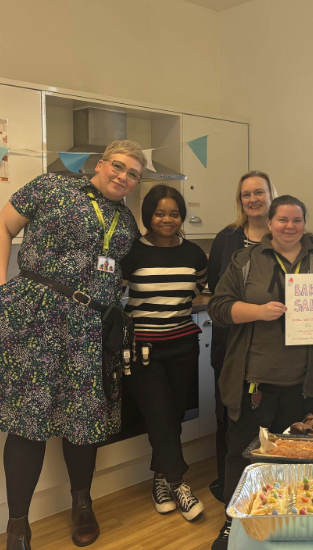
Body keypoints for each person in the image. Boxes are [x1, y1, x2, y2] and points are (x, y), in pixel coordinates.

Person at [0, 140, 145, 549]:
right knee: (27, 422)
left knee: (85, 420)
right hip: (35, 315)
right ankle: (18, 524)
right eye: (118, 167)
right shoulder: (51, 187)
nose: (123, 176)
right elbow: (2, 227)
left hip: (90, 326)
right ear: (100, 165)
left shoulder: (125, 221)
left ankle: (82, 504)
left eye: (133, 174)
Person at [207, 195, 313, 549]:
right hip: (255, 376)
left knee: (296, 452)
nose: (290, 227)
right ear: (270, 223)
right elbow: (218, 307)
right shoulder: (245, 260)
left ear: (305, 224)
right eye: (283, 220)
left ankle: (291, 513)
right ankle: (235, 520)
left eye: (297, 220)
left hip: (305, 379)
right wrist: (257, 311)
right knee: (244, 452)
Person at [120, 185, 208, 521]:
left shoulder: (194, 254)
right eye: (160, 213)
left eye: (173, 213)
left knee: (172, 417)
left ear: (181, 216)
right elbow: (116, 291)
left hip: (184, 344)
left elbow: (200, 288)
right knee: (159, 414)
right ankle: (178, 482)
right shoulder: (132, 253)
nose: (167, 219)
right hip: (143, 348)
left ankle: (159, 478)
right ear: (148, 216)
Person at [205, 171, 275, 502]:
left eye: (259, 192)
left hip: (273, 347)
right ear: (240, 200)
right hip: (232, 345)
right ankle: (227, 486)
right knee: (228, 414)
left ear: (271, 194)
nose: (253, 200)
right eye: (246, 194)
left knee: (267, 419)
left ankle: (266, 490)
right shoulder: (227, 238)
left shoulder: (284, 235)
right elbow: (215, 290)